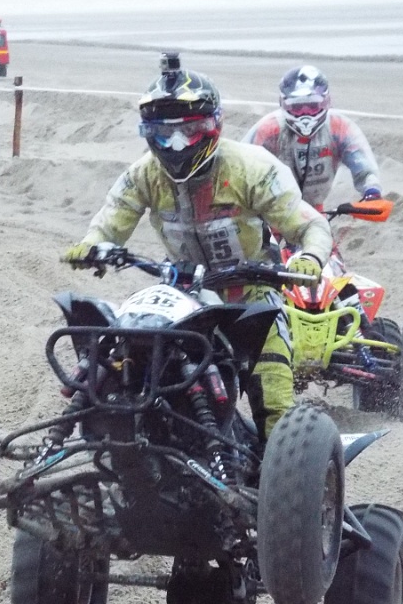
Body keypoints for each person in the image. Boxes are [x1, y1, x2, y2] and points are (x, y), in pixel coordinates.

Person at [62, 56, 333, 440]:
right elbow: (112, 220)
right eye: (161, 133)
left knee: (273, 389)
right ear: (147, 133)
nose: (175, 144)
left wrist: (309, 256)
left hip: (251, 298)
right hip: (183, 295)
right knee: (125, 354)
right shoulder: (144, 174)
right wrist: (93, 245)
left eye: (188, 131)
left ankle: (277, 466)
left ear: (212, 127)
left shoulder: (252, 168)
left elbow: (310, 224)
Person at [243, 65, 382, 211]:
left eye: (312, 106)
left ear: (326, 101)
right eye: (297, 108)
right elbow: (241, 164)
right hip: (271, 211)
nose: (305, 114)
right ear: (283, 104)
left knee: (322, 232)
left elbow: (362, 163)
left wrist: (372, 191)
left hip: (315, 209)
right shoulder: (268, 129)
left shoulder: (338, 126)